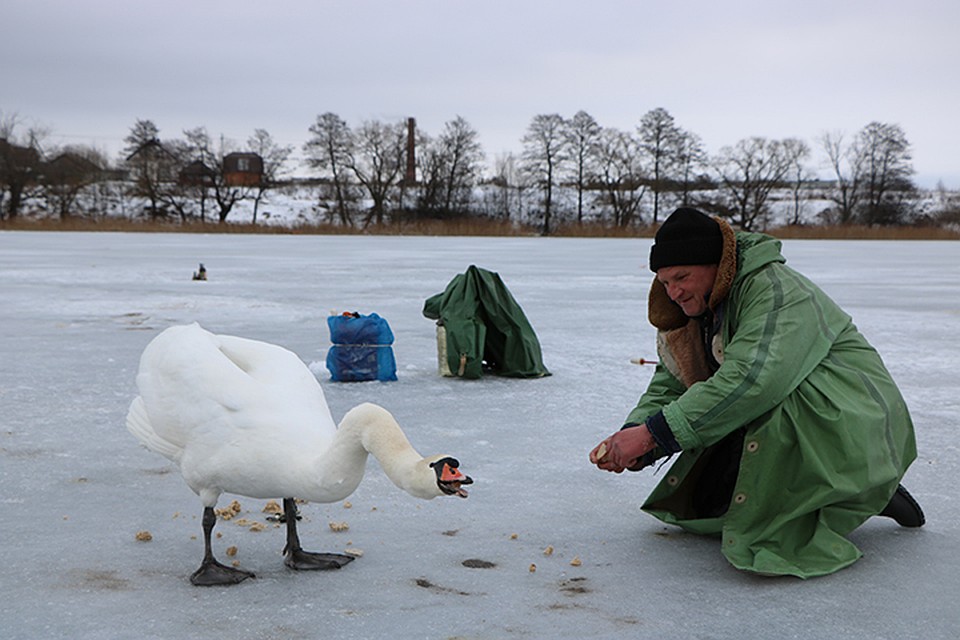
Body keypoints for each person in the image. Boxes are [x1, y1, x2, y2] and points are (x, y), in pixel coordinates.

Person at [589, 207, 924, 578]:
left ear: (717, 264)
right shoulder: (692, 307)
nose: (674, 292)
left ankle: (862, 485)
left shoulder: (775, 290)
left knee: (763, 437)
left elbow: (753, 381)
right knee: (710, 502)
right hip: (785, 408)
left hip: (849, 417)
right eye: (665, 282)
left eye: (682, 277)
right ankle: (844, 489)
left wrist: (654, 434)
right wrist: (638, 435)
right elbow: (672, 382)